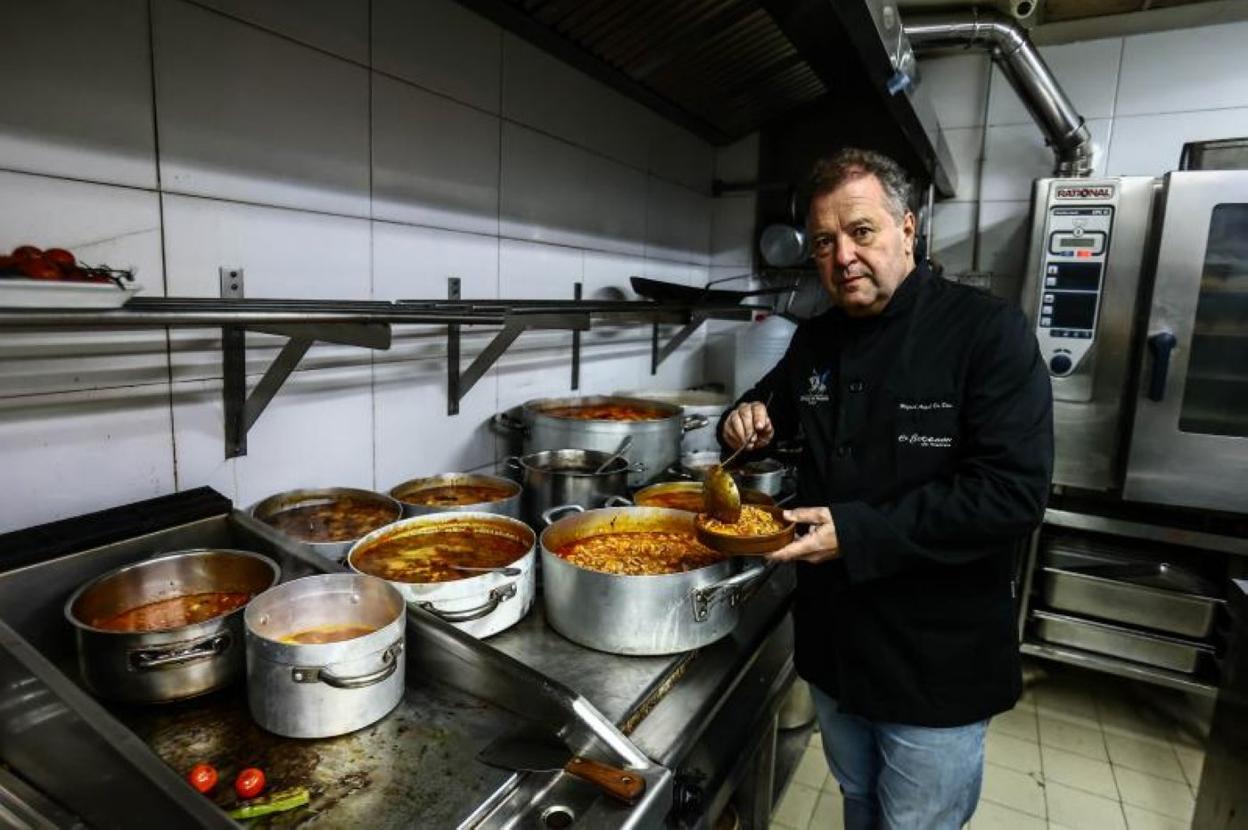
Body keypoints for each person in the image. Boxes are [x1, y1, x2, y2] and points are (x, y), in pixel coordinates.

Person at [719, 148, 1053, 829]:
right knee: (860, 802)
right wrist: (743, 417)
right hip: (836, 645)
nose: (842, 257)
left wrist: (857, 531)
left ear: (908, 227)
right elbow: (771, 404)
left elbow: (1012, 494)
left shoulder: (986, 333)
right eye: (823, 242)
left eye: (861, 232)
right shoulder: (815, 340)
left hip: (933, 656)